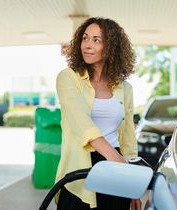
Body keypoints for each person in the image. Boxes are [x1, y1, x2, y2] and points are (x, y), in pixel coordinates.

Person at [55, 17, 140, 210]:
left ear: (110, 47)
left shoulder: (125, 89)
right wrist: (115, 158)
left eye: (96, 40)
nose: (87, 45)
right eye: (85, 38)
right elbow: (80, 121)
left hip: (115, 172)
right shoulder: (68, 78)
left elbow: (128, 139)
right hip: (80, 169)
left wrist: (133, 183)